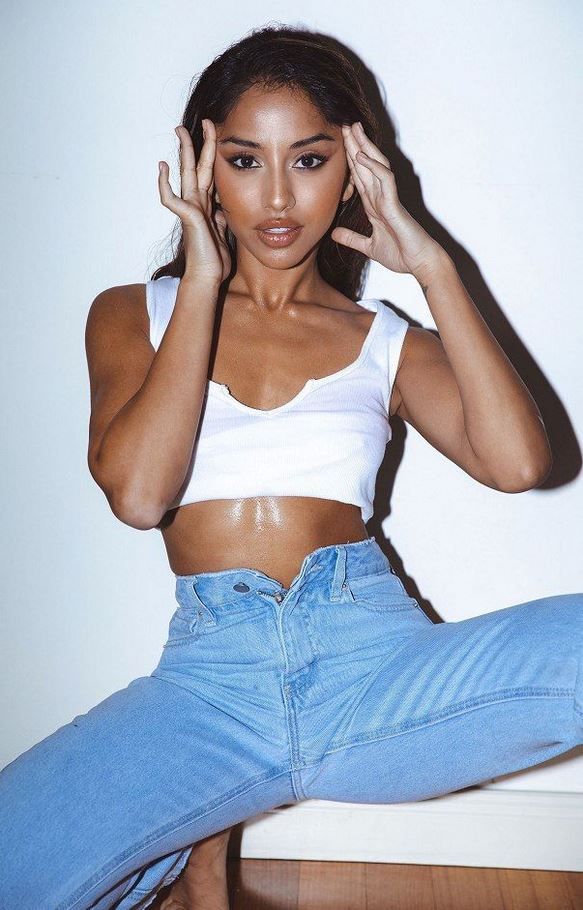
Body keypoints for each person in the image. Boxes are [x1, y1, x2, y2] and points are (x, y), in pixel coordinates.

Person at [1, 23, 582, 910]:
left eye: (308, 161)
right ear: (204, 169)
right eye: (244, 161)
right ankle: (199, 845)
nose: (276, 196)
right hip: (211, 694)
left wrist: (432, 266)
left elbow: (516, 465)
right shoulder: (133, 313)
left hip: (374, 672)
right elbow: (139, 494)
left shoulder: (383, 340)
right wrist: (201, 280)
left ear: (352, 170)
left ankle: (195, 843)